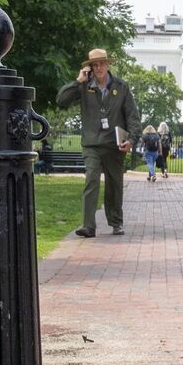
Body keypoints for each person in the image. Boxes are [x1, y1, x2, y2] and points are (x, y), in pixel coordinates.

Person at [57, 47, 140, 237]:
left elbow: (133, 117)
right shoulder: (84, 86)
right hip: (92, 144)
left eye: (102, 63)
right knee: (91, 179)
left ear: (108, 64)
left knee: (114, 185)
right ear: (90, 68)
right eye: (95, 65)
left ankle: (116, 222)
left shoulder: (121, 87)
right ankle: (88, 225)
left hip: (114, 144)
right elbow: (61, 100)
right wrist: (77, 81)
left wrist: (132, 140)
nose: (99, 67)